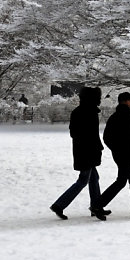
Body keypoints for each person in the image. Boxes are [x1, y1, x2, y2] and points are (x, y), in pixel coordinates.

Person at [50, 86, 107, 221]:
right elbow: (88, 135)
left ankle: (96, 206)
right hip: (87, 152)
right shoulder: (88, 112)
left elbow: (75, 133)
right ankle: (59, 205)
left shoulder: (80, 111)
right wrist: (95, 147)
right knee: (83, 180)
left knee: (93, 178)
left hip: (84, 151)